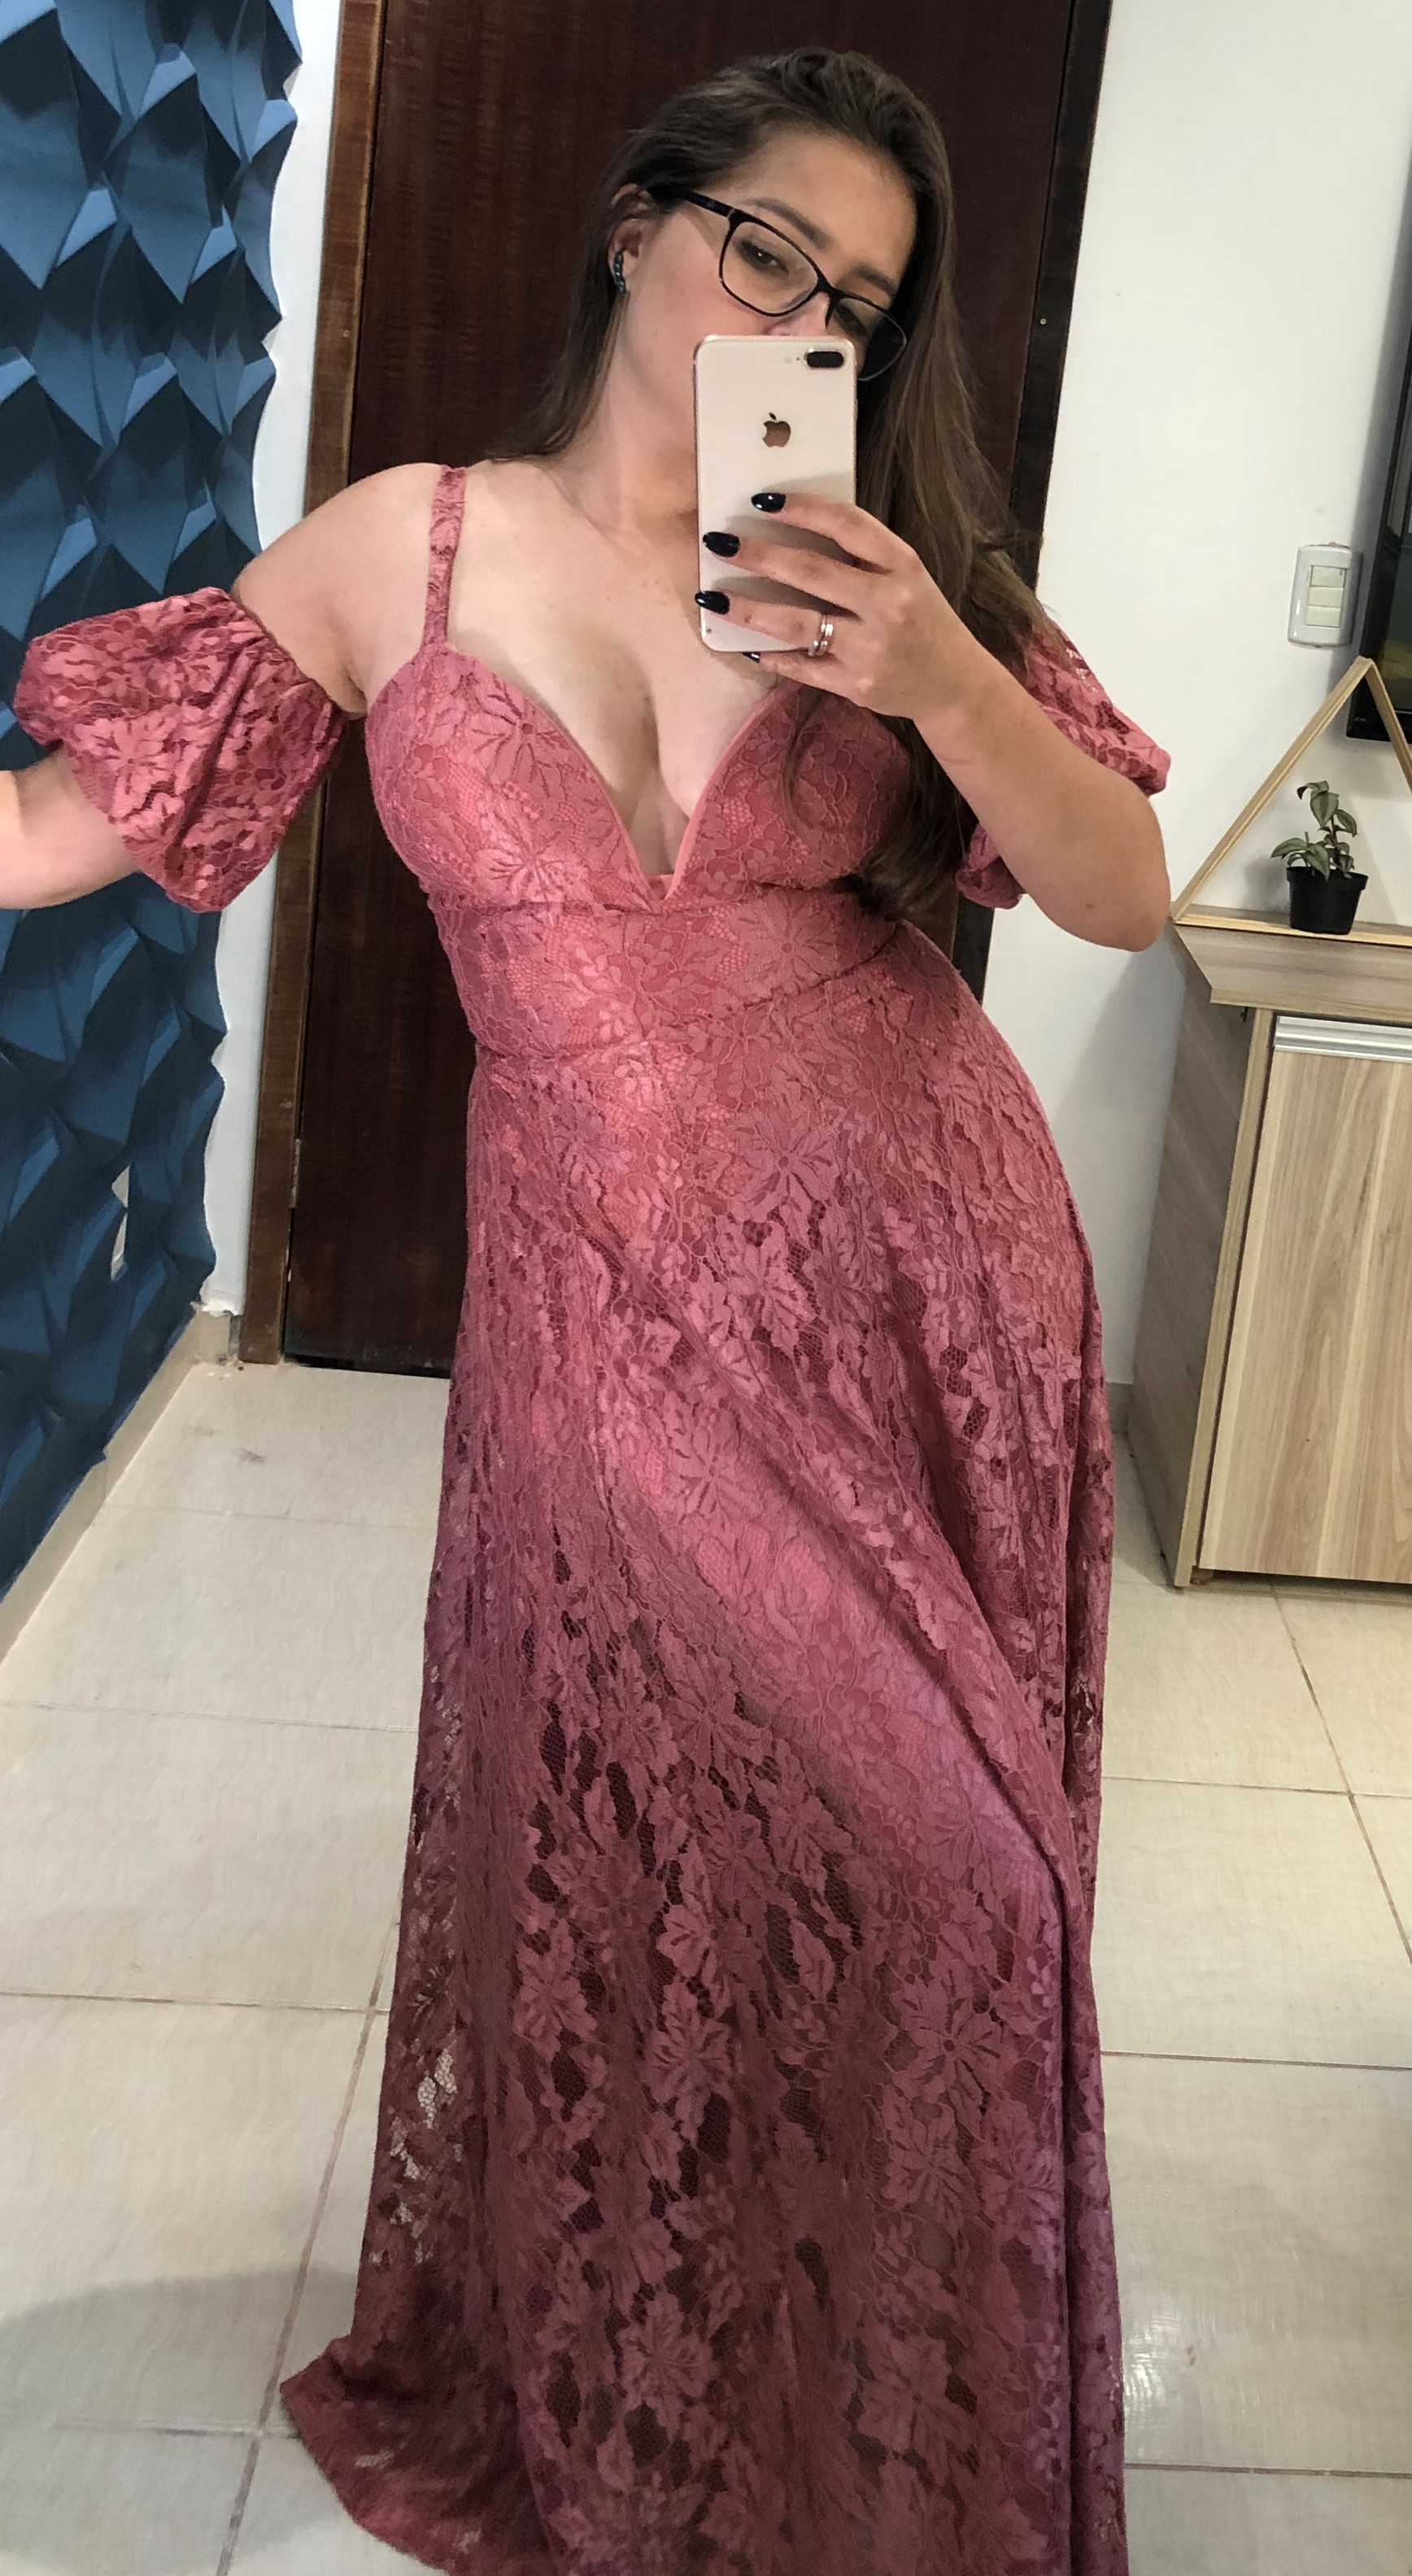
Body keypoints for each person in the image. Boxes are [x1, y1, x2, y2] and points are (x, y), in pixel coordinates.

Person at [5, 46, 1170, 2576]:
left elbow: (1122, 893)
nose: (797, 318)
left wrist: (941, 672)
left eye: (854, 301)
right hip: (614, 1319)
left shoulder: (881, 568)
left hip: (920, 1277)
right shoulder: (404, 552)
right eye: (766, 247)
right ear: (641, 226)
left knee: (942, 1879)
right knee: (745, 1842)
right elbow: (59, 830)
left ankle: (850, 2406)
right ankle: (669, 2369)